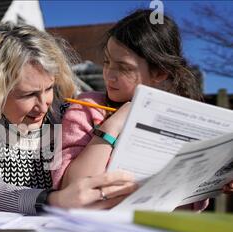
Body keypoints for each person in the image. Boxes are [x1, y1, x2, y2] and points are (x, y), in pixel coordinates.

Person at [51, 9, 233, 209]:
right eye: (106, 62)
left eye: (124, 68)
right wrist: (111, 128)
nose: (109, 75)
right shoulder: (88, 109)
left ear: (159, 73)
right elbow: (72, 188)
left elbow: (188, 207)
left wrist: (214, 179)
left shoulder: (182, 118)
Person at [0, 22, 137, 214]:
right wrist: (55, 201)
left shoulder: (67, 115)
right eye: (28, 94)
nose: (44, 104)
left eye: (49, 88)